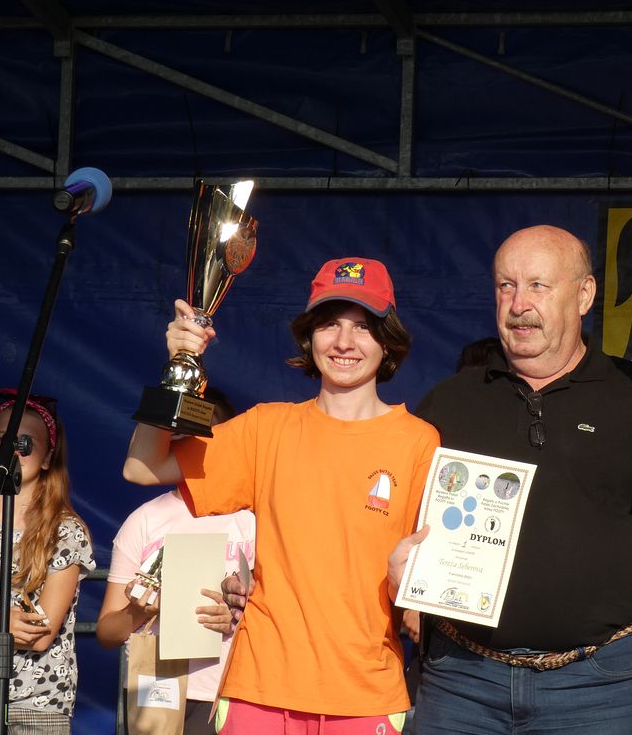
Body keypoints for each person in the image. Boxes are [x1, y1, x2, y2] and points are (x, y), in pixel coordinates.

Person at [388, 224, 632, 735]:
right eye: (506, 286)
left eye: (538, 286)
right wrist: (403, 569)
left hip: (603, 687)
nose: (518, 304)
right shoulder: (449, 401)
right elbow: (400, 516)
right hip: (463, 682)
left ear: (584, 295)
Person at [123, 257, 440, 735]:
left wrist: (410, 590)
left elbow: (427, 584)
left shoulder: (420, 441)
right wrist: (177, 369)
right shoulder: (265, 428)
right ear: (309, 337)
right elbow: (142, 466)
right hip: (259, 689)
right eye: (329, 324)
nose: (345, 342)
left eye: (363, 326)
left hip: (365, 692)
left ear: (387, 340)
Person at [97, 387, 253, 734]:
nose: (192, 441)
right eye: (181, 430)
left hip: (230, 691)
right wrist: (140, 611)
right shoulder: (145, 520)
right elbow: (107, 633)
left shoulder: (250, 520)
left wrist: (234, 616)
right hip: (156, 688)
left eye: (206, 430)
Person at [0, 389, 95, 734]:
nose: (13, 450)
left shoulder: (65, 531)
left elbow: (40, 635)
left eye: (26, 442)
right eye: (3, 439)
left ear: (48, 457)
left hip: (37, 704)